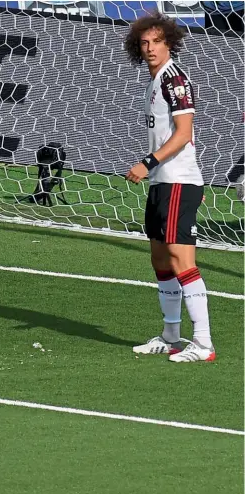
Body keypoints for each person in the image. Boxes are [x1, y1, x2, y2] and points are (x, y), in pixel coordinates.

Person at [124, 13, 215, 362]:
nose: (150, 48)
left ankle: (204, 343)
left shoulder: (175, 79)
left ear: (170, 43)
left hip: (178, 180)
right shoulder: (153, 79)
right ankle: (171, 335)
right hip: (164, 182)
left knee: (181, 259)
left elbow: (183, 134)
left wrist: (147, 163)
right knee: (160, 258)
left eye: (156, 42)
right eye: (144, 43)